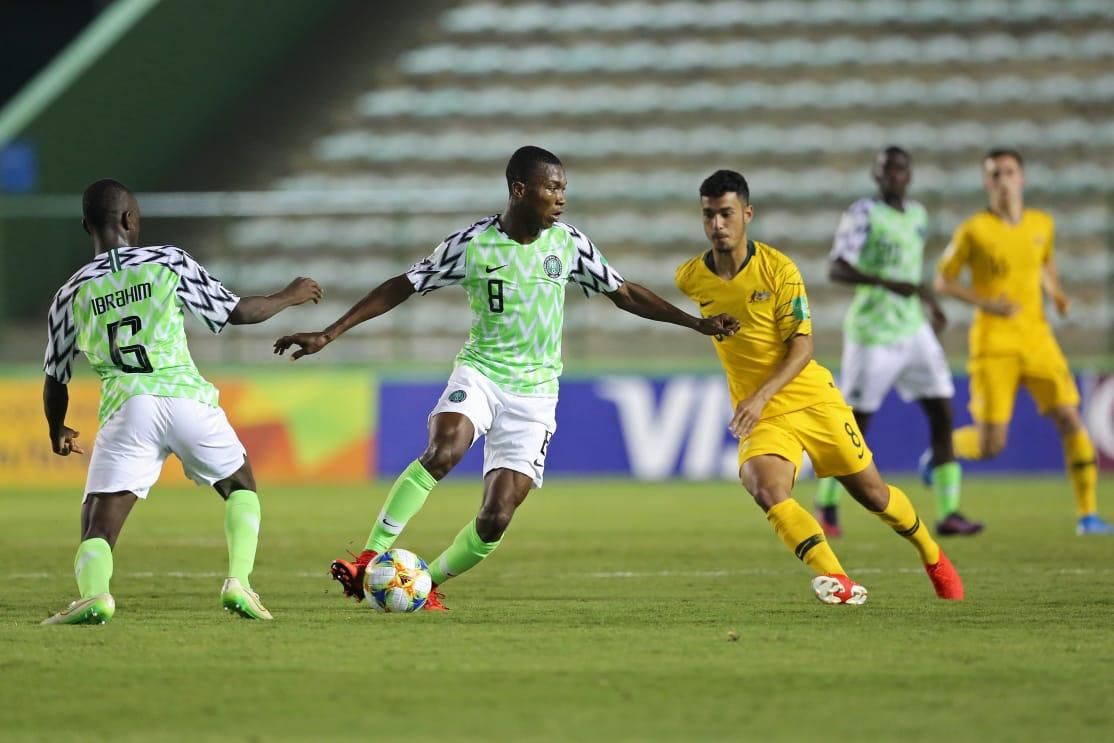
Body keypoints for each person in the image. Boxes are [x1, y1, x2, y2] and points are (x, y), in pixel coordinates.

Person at [274, 145, 739, 610]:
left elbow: (626, 294)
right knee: (443, 449)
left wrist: (697, 323)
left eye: (564, 188)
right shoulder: (472, 244)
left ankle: (423, 584)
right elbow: (404, 284)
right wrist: (331, 332)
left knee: (496, 516)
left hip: (535, 394)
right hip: (481, 373)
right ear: (521, 190)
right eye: (552, 187)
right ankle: (370, 557)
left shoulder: (569, 243)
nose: (561, 197)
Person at [676, 169, 964, 604]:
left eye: (726, 214)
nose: (717, 225)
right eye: (709, 215)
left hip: (810, 398)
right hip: (764, 414)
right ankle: (839, 579)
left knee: (875, 496)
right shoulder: (691, 277)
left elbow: (803, 347)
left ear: (747, 214)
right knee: (765, 489)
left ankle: (931, 553)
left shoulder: (779, 270)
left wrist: (759, 396)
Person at [41, 179, 322, 624]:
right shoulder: (166, 260)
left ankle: (94, 595)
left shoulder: (69, 294)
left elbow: (56, 378)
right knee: (240, 487)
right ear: (129, 219)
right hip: (187, 398)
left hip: (129, 406)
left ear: (86, 226)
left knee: (98, 521)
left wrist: (58, 427)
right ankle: (239, 582)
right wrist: (289, 295)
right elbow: (236, 312)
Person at [935, 149, 1111, 536]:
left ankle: (1088, 515)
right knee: (991, 444)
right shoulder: (973, 230)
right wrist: (986, 303)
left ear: (1022, 179)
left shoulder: (1042, 224)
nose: (1003, 180)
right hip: (993, 343)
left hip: (1037, 338)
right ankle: (941, 451)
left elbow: (1044, 261)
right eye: (995, 174)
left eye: (1009, 172)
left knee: (1069, 416)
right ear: (988, 183)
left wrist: (1057, 292)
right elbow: (942, 280)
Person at [814, 147, 981, 538]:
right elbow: (836, 267)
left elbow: (910, 273)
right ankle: (827, 504)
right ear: (876, 174)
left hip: (913, 329)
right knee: (856, 425)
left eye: (900, 168)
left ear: (909, 174)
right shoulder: (863, 214)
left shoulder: (919, 216)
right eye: (885, 168)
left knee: (942, 412)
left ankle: (949, 512)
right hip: (872, 333)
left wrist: (929, 302)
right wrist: (887, 284)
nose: (893, 175)